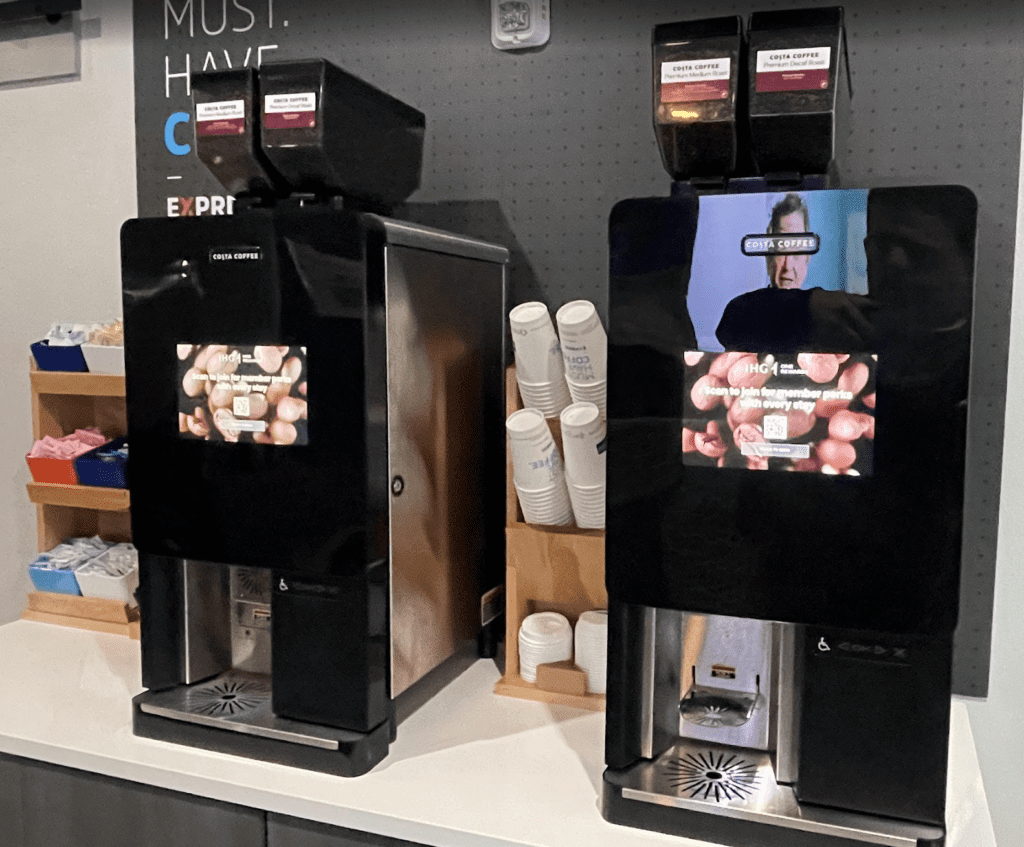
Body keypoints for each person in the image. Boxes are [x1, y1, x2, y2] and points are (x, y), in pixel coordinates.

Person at [764, 193, 812, 290]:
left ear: (807, 258)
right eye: (782, 248)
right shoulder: (742, 305)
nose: (788, 266)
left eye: (797, 248)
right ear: (768, 257)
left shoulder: (821, 304)